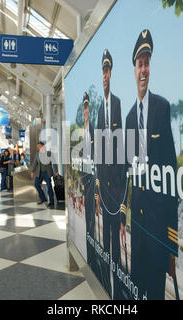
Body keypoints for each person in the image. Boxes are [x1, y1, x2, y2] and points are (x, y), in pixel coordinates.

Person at [124, 29, 179, 300]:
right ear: (134, 70)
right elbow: (129, 173)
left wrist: (172, 245)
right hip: (139, 230)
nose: (144, 69)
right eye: (140, 64)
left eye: (147, 63)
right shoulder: (130, 118)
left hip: (158, 233)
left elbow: (172, 176)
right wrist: (123, 217)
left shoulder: (162, 107)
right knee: (137, 292)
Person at [94, 48, 126, 299]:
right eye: (103, 70)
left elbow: (121, 146)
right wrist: (96, 186)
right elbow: (96, 148)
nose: (105, 75)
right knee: (105, 239)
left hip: (115, 186)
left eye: (108, 70)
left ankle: (117, 289)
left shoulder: (116, 103)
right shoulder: (97, 110)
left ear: (111, 73)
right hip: (102, 188)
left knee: (116, 241)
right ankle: (106, 283)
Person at [80, 92, 97, 274]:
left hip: (94, 183)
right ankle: (89, 254)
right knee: (88, 220)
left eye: (87, 108)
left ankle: (94, 256)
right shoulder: (82, 133)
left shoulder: (92, 130)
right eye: (84, 108)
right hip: (85, 182)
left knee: (92, 219)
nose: (86, 112)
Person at [30, 141, 59, 208]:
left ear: (43, 146)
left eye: (40, 146)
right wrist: (32, 171)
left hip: (47, 173)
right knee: (36, 184)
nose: (39, 148)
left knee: (49, 186)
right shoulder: (37, 154)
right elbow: (35, 163)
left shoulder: (49, 153)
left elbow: (54, 163)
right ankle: (43, 198)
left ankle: (51, 201)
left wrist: (56, 171)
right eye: (38, 147)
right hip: (39, 173)